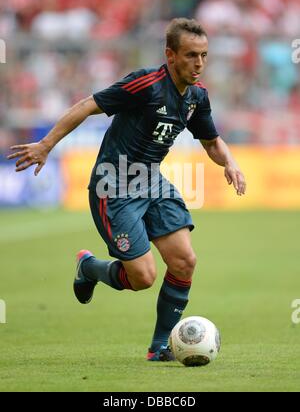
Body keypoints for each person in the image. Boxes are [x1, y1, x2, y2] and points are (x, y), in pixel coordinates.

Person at [7, 18, 246, 361]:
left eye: (204, 56)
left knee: (184, 261)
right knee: (143, 277)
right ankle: (89, 268)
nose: (199, 64)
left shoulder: (196, 97)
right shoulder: (145, 84)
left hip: (151, 180)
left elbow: (211, 141)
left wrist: (230, 163)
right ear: (171, 55)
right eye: (192, 55)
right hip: (113, 186)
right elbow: (88, 105)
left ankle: (159, 347)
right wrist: (46, 144)